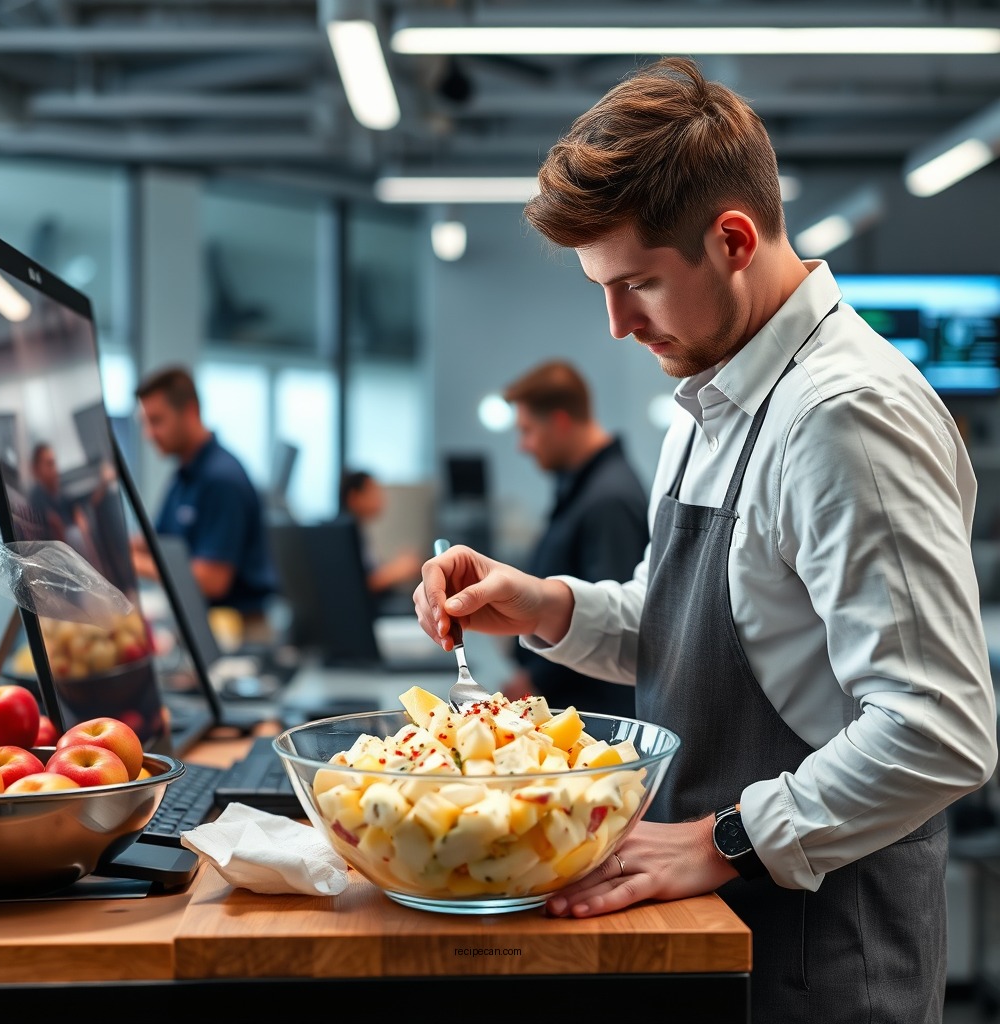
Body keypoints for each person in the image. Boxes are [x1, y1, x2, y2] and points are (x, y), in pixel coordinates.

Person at [414, 57, 997, 1023]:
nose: (614, 325)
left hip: (823, 955)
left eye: (637, 283)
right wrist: (548, 604)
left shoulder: (845, 416)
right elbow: (690, 621)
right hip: (720, 932)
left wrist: (721, 840)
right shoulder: (712, 392)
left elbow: (939, 730)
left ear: (732, 240)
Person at [500, 360, 648, 717]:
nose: (523, 446)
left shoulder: (609, 498)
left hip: (592, 717)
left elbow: (613, 621)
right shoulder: (585, 489)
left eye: (528, 430)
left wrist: (536, 680)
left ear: (561, 422)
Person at [134, 365, 278, 637]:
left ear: (190, 412)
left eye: (157, 421)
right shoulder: (185, 475)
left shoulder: (221, 479)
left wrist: (132, 562)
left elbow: (212, 580)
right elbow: (161, 542)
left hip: (239, 633)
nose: (149, 434)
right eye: (145, 423)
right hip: (204, 629)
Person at [339, 469, 423, 611]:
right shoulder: (345, 535)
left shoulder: (358, 530)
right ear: (354, 497)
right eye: (373, 492)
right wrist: (397, 571)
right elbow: (354, 584)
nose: (381, 498)